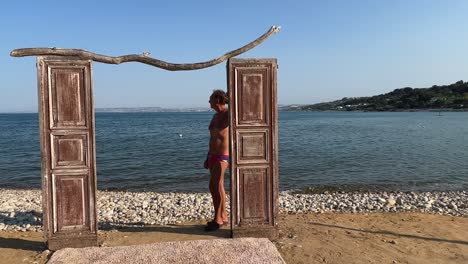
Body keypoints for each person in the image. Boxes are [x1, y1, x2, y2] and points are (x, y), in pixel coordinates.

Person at [204, 89, 230, 231]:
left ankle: (217, 220)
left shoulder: (228, 115)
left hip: (223, 156)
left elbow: (238, 109)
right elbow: (212, 138)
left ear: (218, 100)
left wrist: (230, 96)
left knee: (214, 186)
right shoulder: (215, 116)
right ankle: (224, 216)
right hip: (213, 155)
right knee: (218, 186)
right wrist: (207, 156)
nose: (209, 101)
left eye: (211, 99)